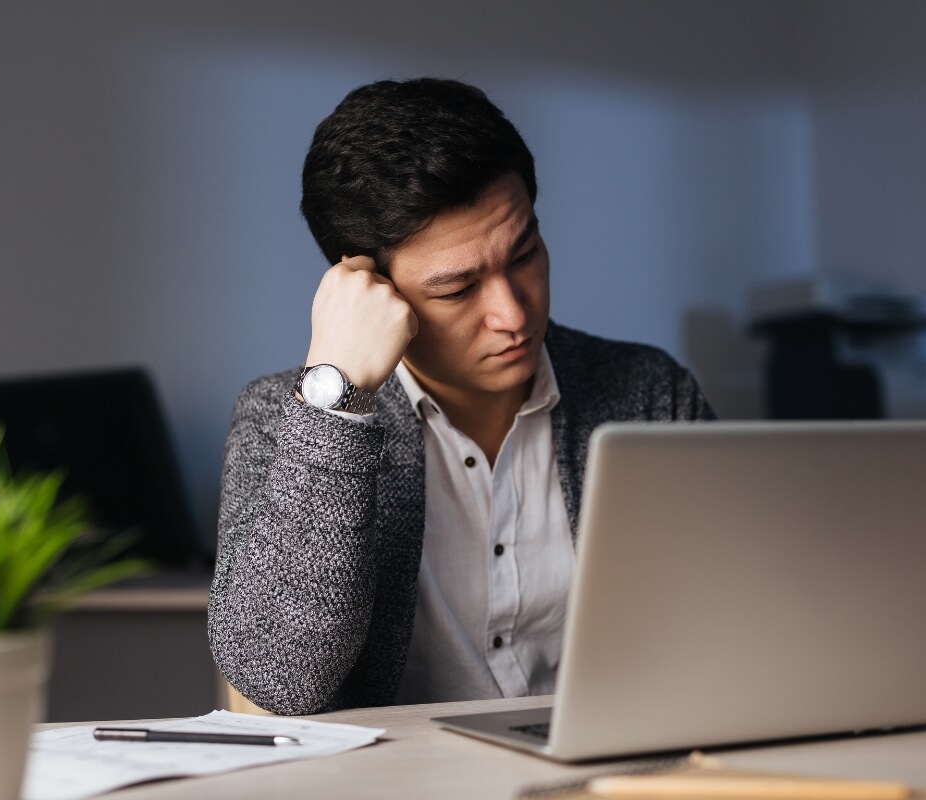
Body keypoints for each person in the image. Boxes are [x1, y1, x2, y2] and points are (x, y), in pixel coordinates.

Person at [207, 78, 715, 716]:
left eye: (524, 253)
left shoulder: (649, 394)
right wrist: (336, 405)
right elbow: (279, 681)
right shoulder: (285, 419)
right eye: (457, 289)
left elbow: (736, 627)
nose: (511, 313)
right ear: (365, 288)